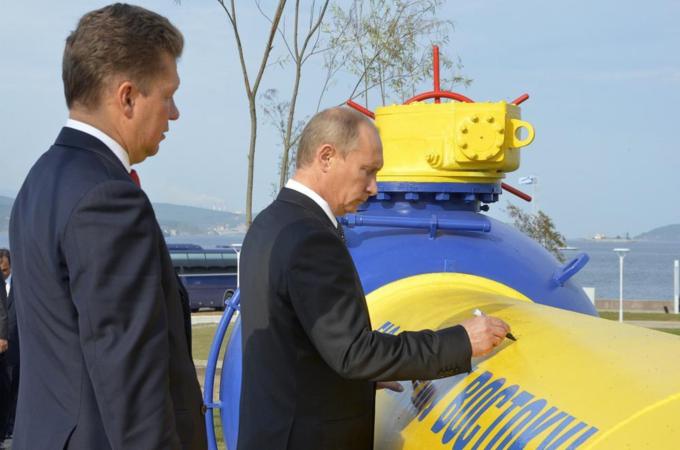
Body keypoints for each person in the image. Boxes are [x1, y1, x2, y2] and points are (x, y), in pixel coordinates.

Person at [237, 107, 512, 450]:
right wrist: (461, 341)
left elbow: (292, 344)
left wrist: (352, 385)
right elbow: (355, 352)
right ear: (326, 157)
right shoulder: (311, 237)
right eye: (367, 171)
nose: (373, 188)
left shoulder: (269, 223)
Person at [9, 4, 206, 449]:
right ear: (128, 97)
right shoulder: (108, 199)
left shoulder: (39, 182)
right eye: (168, 95)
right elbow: (134, 391)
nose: (174, 113)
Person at [0, 249, 16, 448]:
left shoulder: (19, 285)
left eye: (5, 270)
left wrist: (4, 336)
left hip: (11, 345)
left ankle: (7, 429)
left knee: (10, 387)